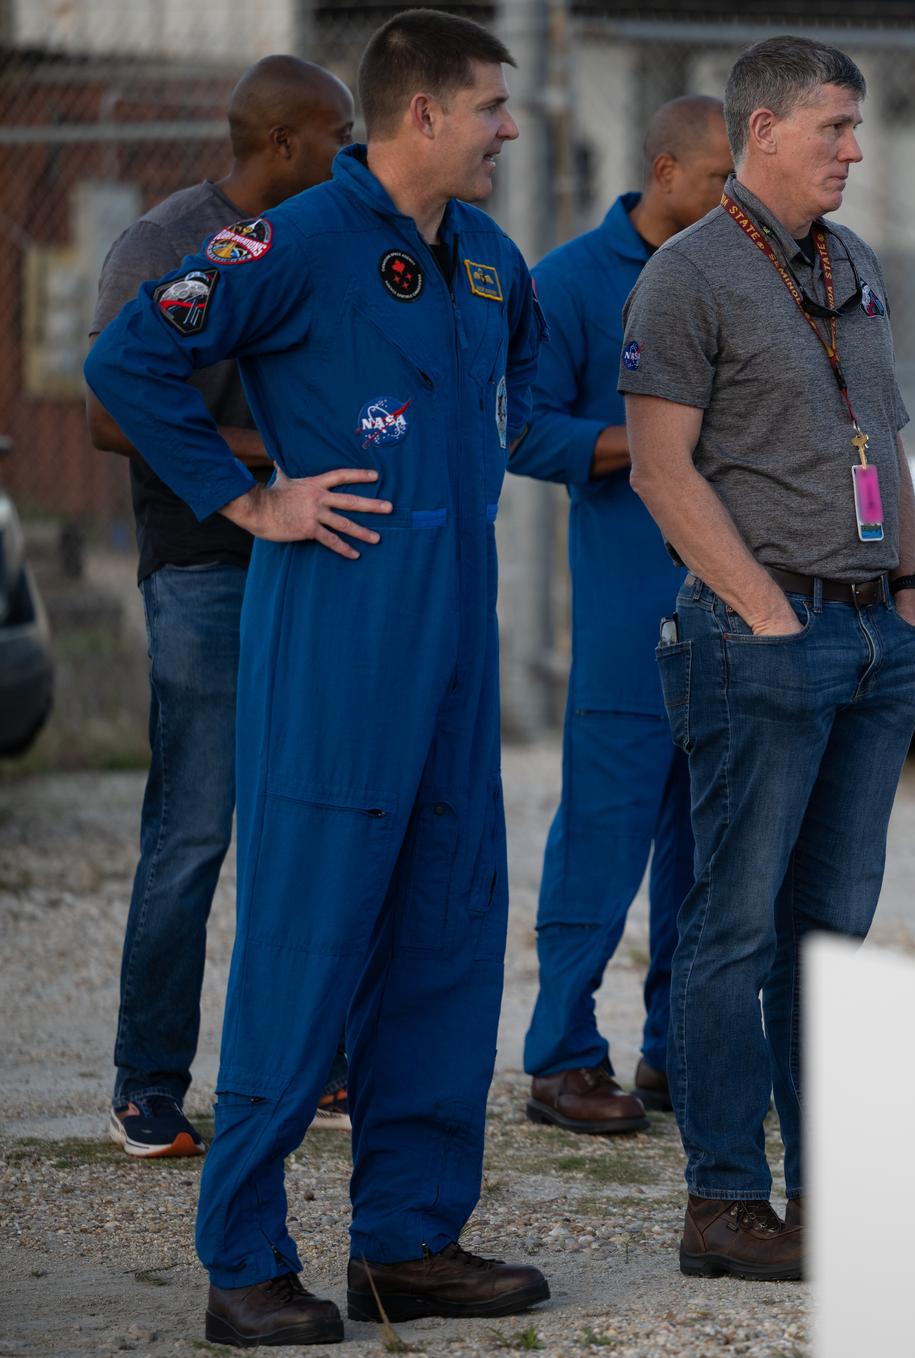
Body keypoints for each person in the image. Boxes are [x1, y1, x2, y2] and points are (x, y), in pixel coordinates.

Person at [85, 9, 548, 1346]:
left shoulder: (489, 262)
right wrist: (247, 499)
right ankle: (243, 1258)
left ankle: (409, 1242)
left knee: (450, 934)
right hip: (342, 627)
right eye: (488, 109)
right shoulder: (287, 244)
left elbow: (515, 401)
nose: (507, 131)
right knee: (311, 935)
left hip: (457, 638)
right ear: (421, 117)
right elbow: (127, 361)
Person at [620, 35, 915, 1283]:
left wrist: (905, 596)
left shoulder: (846, 261)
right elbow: (658, 467)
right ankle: (724, 1204)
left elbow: (885, 437)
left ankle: (824, 1192)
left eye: (855, 129)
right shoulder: (687, 275)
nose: (856, 151)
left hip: (870, 636)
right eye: (834, 129)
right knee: (732, 930)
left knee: (828, 937)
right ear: (761, 134)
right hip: (765, 639)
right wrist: (765, 612)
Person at [85, 56, 355, 1160]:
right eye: (339, 133)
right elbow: (112, 409)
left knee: (311, 819)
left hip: (316, 563)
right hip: (201, 561)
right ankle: (148, 1081)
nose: (354, 152)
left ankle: (314, 1061)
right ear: (284, 143)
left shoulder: (331, 240)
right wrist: (275, 466)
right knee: (195, 828)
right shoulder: (164, 244)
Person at [514, 95, 730, 1136]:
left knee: (708, 841)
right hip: (627, 609)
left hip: (734, 603)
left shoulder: (746, 268)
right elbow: (526, 431)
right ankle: (560, 1054)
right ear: (665, 170)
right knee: (604, 835)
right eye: (721, 177)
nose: (735, 197)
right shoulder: (568, 282)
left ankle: (675, 1051)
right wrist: (650, 446)